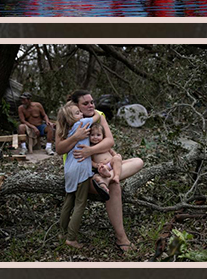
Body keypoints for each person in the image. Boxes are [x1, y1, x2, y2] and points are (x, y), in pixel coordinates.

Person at [58, 90, 145, 252]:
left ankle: (106, 177)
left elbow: (109, 141)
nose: (91, 105)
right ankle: (122, 238)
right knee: (114, 187)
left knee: (138, 161)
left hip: (105, 167)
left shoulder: (98, 115)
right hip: (84, 173)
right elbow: (59, 148)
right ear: (75, 106)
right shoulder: (67, 118)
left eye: (92, 102)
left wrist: (90, 151)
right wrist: (76, 140)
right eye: (85, 103)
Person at [55, 100, 98, 248]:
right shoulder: (82, 123)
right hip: (81, 169)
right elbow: (96, 117)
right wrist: (93, 111)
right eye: (77, 112)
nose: (81, 113)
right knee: (80, 203)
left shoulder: (68, 130)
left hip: (69, 168)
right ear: (71, 118)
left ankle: (62, 232)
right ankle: (71, 238)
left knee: (69, 201)